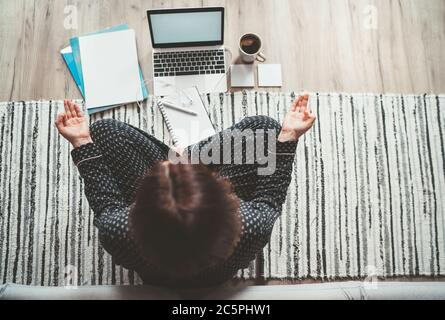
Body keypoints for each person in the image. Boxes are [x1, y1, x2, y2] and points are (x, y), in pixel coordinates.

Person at [55, 95, 316, 288]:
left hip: (159, 264)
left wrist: (81, 141)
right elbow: (270, 196)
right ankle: (191, 160)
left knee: (101, 132)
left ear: (138, 206)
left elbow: (107, 200)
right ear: (225, 195)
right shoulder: (253, 223)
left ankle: (184, 161)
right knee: (265, 129)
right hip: (214, 265)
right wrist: (289, 135)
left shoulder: (117, 231)